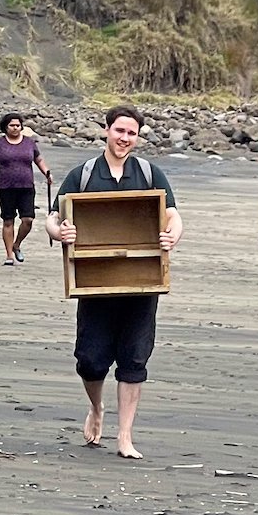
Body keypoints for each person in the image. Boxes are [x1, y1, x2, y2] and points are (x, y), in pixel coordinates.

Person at [46, 105, 181, 459]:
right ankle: (96, 407)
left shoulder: (150, 173)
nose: (125, 138)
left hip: (142, 283)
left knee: (134, 359)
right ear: (106, 130)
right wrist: (60, 232)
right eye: (119, 131)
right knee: (90, 360)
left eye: (132, 133)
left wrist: (172, 237)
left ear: (138, 137)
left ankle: (124, 435)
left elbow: (173, 215)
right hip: (95, 282)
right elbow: (52, 217)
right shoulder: (85, 174)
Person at [0, 112, 51, 265]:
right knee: (8, 220)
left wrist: (47, 173)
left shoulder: (29, 143)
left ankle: (17, 244)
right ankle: (9, 255)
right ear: (5, 127)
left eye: (18, 125)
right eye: (12, 125)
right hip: (5, 186)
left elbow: (38, 159)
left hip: (26, 185)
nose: (15, 128)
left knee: (28, 220)